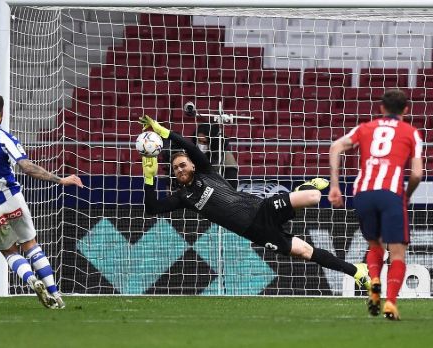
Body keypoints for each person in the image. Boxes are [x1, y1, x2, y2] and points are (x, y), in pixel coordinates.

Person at [139, 115, 371, 292]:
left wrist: (162, 131)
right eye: (176, 167)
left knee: (314, 197)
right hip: (255, 232)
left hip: (261, 208)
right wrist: (149, 176)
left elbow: (189, 147)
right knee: (304, 251)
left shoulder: (206, 172)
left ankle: (302, 188)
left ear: (192, 165)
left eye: (183, 165)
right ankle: (356, 271)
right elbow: (152, 208)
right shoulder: (183, 197)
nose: (180, 169)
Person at [0, 92, 83, 309]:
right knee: (31, 245)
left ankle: (31, 281)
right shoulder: (4, 136)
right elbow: (26, 166)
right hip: (11, 198)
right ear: (1, 113)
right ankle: (55, 294)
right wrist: (60, 179)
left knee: (10, 252)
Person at [329, 89, 423, 320]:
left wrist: (335, 186)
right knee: (397, 253)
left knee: (375, 245)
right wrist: (407, 195)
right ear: (406, 110)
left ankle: (374, 281)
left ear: (381, 108)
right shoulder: (411, 132)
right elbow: (417, 174)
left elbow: (335, 147)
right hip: (390, 193)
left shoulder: (365, 128)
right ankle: (390, 302)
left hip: (362, 193)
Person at [193, 123, 238, 189]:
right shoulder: (192, 153)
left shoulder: (226, 156)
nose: (201, 145)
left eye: (205, 142)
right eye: (199, 141)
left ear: (213, 142)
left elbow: (232, 185)